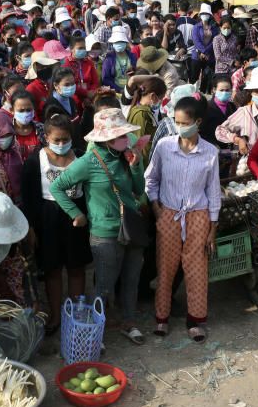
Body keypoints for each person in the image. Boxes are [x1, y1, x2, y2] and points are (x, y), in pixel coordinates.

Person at [50, 108, 147, 345]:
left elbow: (139, 190)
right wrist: (76, 213)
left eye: (126, 135)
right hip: (104, 233)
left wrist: (135, 166)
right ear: (106, 139)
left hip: (131, 227)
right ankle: (96, 330)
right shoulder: (88, 162)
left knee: (132, 279)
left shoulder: (129, 155)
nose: (127, 139)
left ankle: (129, 322)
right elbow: (57, 187)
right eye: (121, 136)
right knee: (104, 284)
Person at [145, 96, 220, 342]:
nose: (179, 127)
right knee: (165, 268)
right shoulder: (165, 147)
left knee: (197, 269)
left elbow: (213, 191)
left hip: (198, 216)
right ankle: (162, 318)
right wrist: (157, 208)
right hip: (168, 213)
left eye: (184, 122)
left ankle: (196, 320)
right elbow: (151, 178)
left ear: (198, 122)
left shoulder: (210, 152)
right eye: (176, 121)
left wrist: (212, 228)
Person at [22, 114, 92, 330]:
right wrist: (31, 227)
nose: (61, 144)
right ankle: (56, 316)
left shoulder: (81, 157)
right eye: (57, 140)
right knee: (52, 269)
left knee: (76, 268)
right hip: (48, 219)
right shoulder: (36, 160)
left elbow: (89, 191)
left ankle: (75, 315)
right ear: (46, 138)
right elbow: (29, 197)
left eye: (65, 139)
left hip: (76, 219)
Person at [215, 66, 258, 152]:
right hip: (250, 159)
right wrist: (238, 140)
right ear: (251, 92)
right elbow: (220, 130)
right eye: (257, 91)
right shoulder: (244, 112)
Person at [127, 76, 166, 163]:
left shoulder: (141, 109)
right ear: (153, 96)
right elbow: (140, 147)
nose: (161, 101)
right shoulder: (141, 115)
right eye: (161, 98)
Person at [43, 67, 85, 149]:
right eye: (67, 84)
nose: (71, 87)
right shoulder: (51, 106)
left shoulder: (71, 100)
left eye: (73, 84)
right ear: (56, 85)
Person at [62, 35, 100, 103]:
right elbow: (68, 84)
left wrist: (91, 93)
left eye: (84, 48)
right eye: (80, 48)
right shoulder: (67, 64)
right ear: (71, 49)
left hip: (91, 97)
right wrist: (86, 93)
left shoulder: (89, 62)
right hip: (74, 98)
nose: (83, 50)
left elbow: (95, 81)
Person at [191, 3, 218, 92]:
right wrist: (203, 51)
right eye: (203, 14)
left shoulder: (214, 28)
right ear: (200, 15)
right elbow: (196, 41)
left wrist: (206, 52)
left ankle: (204, 93)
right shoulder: (196, 27)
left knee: (207, 77)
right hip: (197, 55)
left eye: (206, 14)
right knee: (194, 76)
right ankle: (192, 93)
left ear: (210, 15)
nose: (205, 16)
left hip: (209, 56)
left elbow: (214, 40)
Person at [203, 77, 236, 148]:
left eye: (227, 90)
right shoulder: (206, 107)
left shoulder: (233, 107)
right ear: (214, 90)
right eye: (221, 90)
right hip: (211, 146)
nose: (225, 93)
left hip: (230, 147)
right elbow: (202, 131)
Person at [11, 89, 44, 161]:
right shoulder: (7, 131)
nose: (25, 113)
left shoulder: (41, 128)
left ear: (34, 109)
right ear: (12, 110)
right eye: (21, 110)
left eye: (28, 110)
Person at [102, 27, 136, 92]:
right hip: (115, 92)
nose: (119, 43)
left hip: (131, 91)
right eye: (117, 42)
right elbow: (105, 79)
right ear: (113, 43)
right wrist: (119, 89)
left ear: (126, 43)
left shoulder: (132, 56)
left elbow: (136, 73)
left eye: (121, 41)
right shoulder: (109, 58)